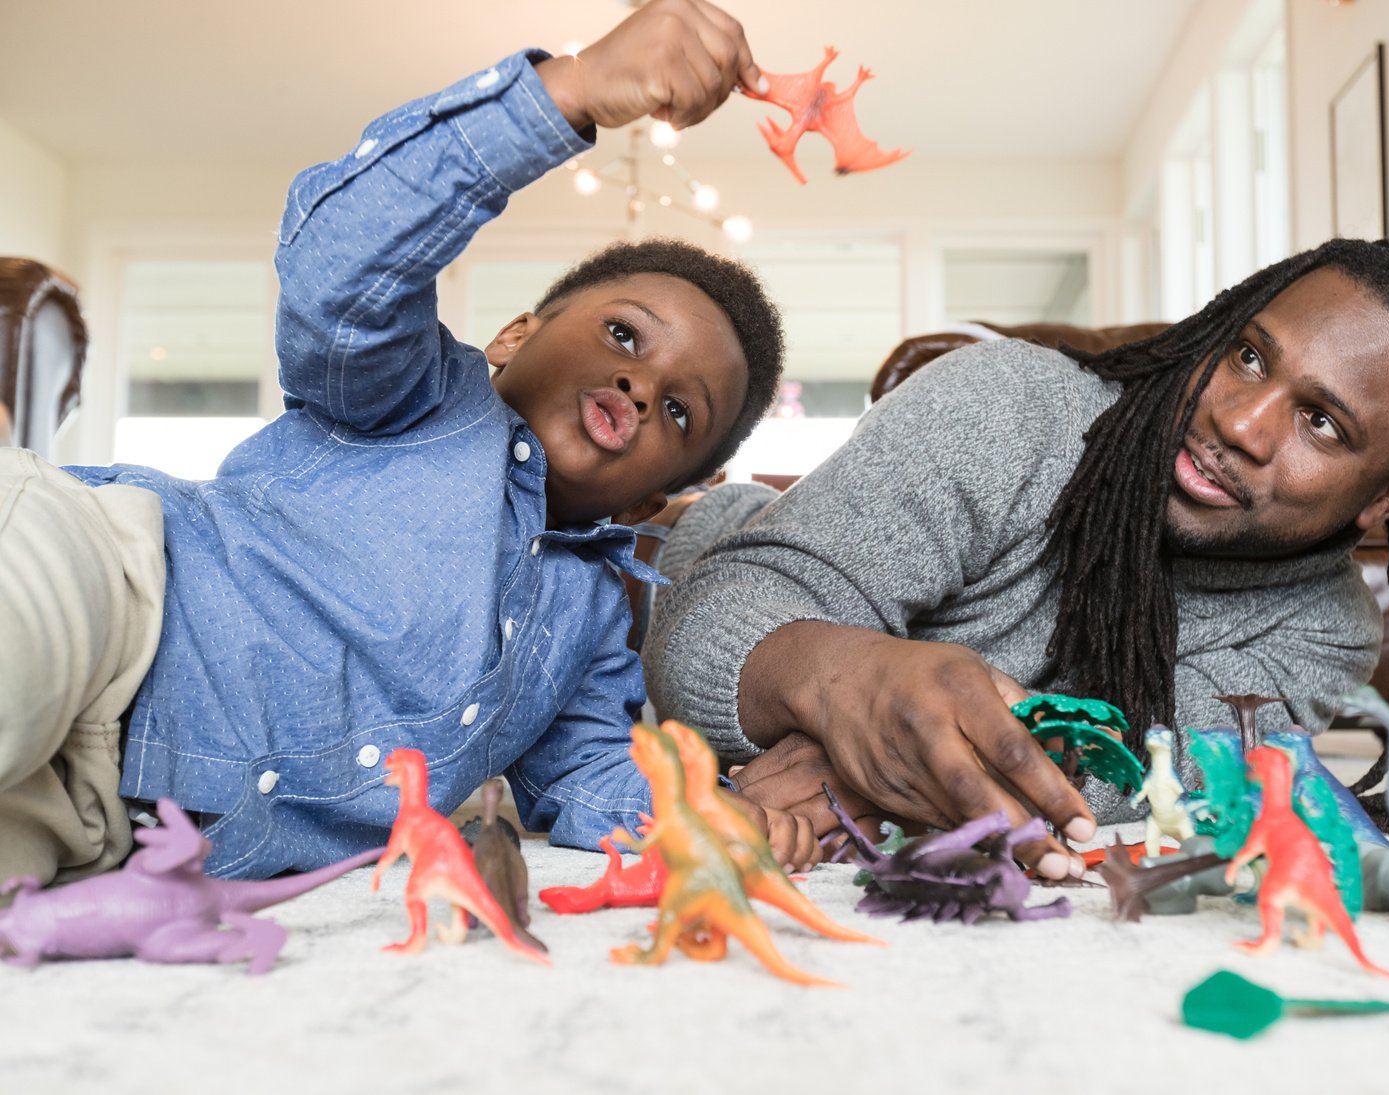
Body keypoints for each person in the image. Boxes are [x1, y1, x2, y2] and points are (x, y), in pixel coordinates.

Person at [0, 0, 818, 885]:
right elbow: (339, 269)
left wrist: (704, 810)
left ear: (655, 497)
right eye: (625, 335)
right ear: (513, 335)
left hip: (107, 826)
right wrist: (570, 90)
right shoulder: (411, 395)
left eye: (681, 413)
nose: (643, 386)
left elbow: (588, 778)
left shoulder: (588, 629)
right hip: (111, 601)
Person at [644, 239, 1389, 879]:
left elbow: (1131, 783)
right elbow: (705, 634)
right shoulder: (1002, 407)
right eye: (1247, 356)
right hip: (657, 563)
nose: (1237, 422)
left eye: (1320, 422)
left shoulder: (1320, 632)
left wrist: (869, 758)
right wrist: (838, 675)